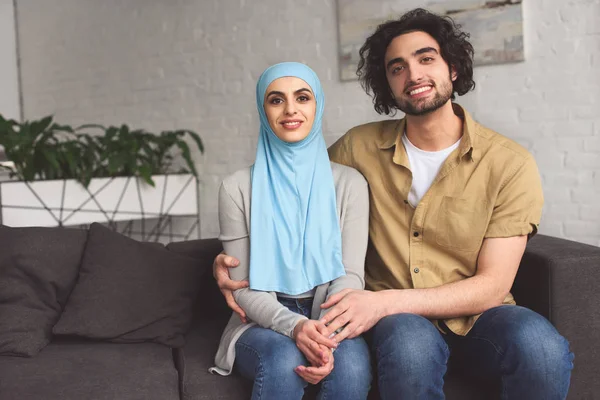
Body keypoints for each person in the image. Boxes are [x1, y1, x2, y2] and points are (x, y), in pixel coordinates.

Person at [214, 9, 575, 399]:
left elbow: (492, 286)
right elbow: (295, 185)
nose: (414, 75)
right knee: (410, 348)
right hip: (398, 323)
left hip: (477, 317)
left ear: (452, 67)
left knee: (542, 348)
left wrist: (383, 302)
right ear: (386, 84)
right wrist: (225, 261)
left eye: (426, 58)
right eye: (397, 68)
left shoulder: (509, 163)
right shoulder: (358, 148)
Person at [209, 62, 372, 400]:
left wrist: (323, 334)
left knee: (352, 367)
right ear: (262, 109)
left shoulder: (349, 184)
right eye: (276, 100)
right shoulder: (236, 187)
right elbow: (242, 287)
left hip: (331, 313)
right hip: (260, 318)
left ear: (318, 105)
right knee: (283, 358)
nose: (291, 109)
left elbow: (352, 275)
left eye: (302, 97)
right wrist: (295, 327)